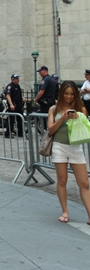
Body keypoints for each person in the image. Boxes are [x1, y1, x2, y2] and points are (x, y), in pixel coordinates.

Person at [47, 81, 90, 225]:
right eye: (66, 93)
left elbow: (85, 129)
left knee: (84, 183)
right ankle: (65, 211)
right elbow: (51, 130)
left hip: (76, 147)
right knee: (62, 180)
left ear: (76, 95)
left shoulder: (81, 109)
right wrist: (62, 118)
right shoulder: (54, 109)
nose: (69, 97)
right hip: (59, 146)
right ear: (61, 94)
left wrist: (79, 118)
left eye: (72, 94)